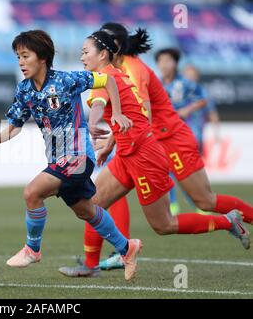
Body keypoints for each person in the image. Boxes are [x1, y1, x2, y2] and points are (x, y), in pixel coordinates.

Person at [64, 24, 252, 274]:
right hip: (135, 146)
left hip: (164, 141)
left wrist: (108, 131)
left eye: (88, 49)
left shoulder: (131, 70)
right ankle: (91, 265)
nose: (83, 55)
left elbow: (142, 114)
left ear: (110, 49)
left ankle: (228, 221)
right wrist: (113, 142)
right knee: (94, 203)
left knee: (188, 210)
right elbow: (128, 113)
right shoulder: (112, 73)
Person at [0, 29, 141, 281]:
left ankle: (32, 250)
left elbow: (108, 81)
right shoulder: (24, 90)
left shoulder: (66, 80)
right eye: (18, 57)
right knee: (86, 211)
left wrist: (115, 112)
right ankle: (128, 248)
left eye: (25, 56)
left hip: (79, 156)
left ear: (42, 57)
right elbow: (15, 125)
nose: (20, 62)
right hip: (58, 160)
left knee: (32, 192)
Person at [156, 49, 208, 214]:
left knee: (184, 172)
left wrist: (187, 109)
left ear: (175, 63)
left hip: (180, 133)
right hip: (162, 134)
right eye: (161, 61)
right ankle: (172, 205)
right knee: (165, 170)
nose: (164, 65)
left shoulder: (184, 83)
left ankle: (199, 204)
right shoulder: (155, 83)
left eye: (168, 61)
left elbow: (202, 98)